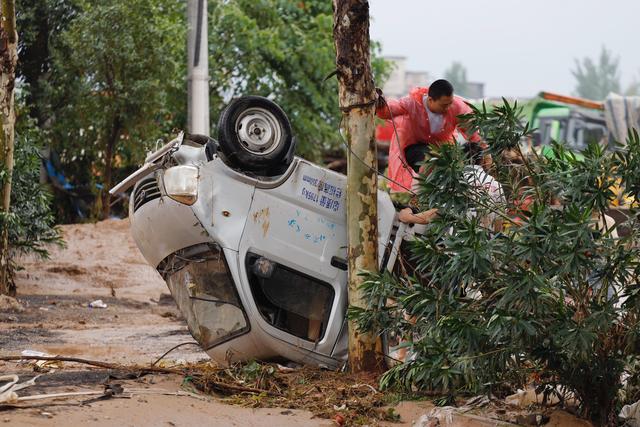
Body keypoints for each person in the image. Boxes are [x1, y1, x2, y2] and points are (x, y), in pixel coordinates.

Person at [376, 79, 485, 192]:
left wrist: (485, 152)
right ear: (430, 100)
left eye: (450, 104)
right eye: (444, 105)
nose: (448, 108)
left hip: (444, 150)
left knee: (471, 152)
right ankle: (425, 192)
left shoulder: (457, 107)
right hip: (416, 148)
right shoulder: (412, 103)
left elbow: (472, 131)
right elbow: (389, 110)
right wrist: (380, 104)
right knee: (429, 161)